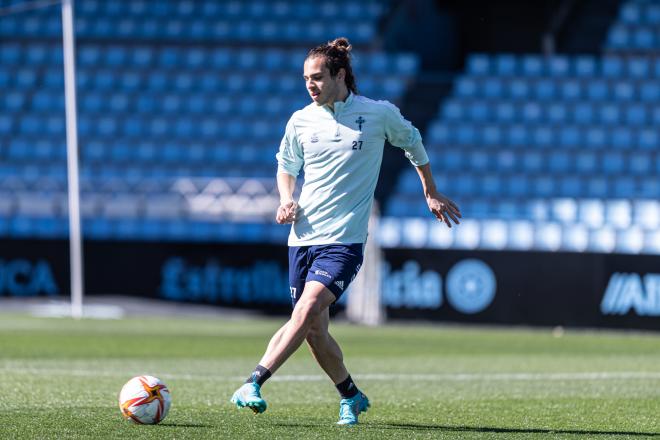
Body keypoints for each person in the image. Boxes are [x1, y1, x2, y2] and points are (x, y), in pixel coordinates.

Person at [230, 37, 461, 426]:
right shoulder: (301, 120)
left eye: (317, 77)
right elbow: (286, 165)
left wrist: (430, 190)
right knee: (314, 332)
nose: (310, 85)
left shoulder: (376, 114)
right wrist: (286, 198)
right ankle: (350, 395)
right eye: (306, 78)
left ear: (340, 75)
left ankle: (253, 381)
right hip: (302, 238)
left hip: (344, 241)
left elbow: (413, 142)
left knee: (304, 311)